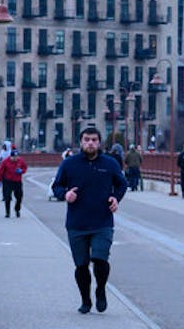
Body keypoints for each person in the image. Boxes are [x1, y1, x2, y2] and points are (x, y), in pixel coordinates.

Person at [51, 126, 128, 314]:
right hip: (77, 223)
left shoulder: (109, 164)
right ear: (81, 142)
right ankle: (85, 299)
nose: (90, 143)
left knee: (100, 260)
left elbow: (122, 184)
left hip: (102, 221)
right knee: (81, 265)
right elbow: (57, 186)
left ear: (99, 142)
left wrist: (116, 198)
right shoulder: (70, 164)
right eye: (87, 139)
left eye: (94, 139)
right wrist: (65, 194)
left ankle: (100, 289)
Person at [0, 147, 28, 217]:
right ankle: (7, 212)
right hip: (7, 181)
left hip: (17, 181)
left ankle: (17, 209)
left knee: (19, 196)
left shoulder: (20, 160)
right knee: (7, 197)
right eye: (14, 157)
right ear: (10, 156)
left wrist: (21, 171)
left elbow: (25, 167)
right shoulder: (5, 161)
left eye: (16, 157)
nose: (15, 158)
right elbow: (1, 171)